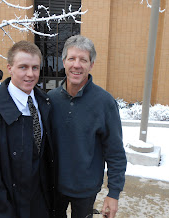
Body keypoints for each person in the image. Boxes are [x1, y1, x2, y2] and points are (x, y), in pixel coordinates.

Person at [0, 41, 55, 218]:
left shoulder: (44, 104)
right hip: (7, 208)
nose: (30, 74)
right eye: (23, 67)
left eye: (35, 68)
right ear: (9, 68)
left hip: (40, 204)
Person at [48, 35, 127, 218]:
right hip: (53, 186)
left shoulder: (105, 102)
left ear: (91, 65)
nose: (77, 65)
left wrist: (113, 193)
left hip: (85, 190)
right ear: (64, 62)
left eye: (83, 59)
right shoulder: (50, 100)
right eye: (72, 58)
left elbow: (115, 151)